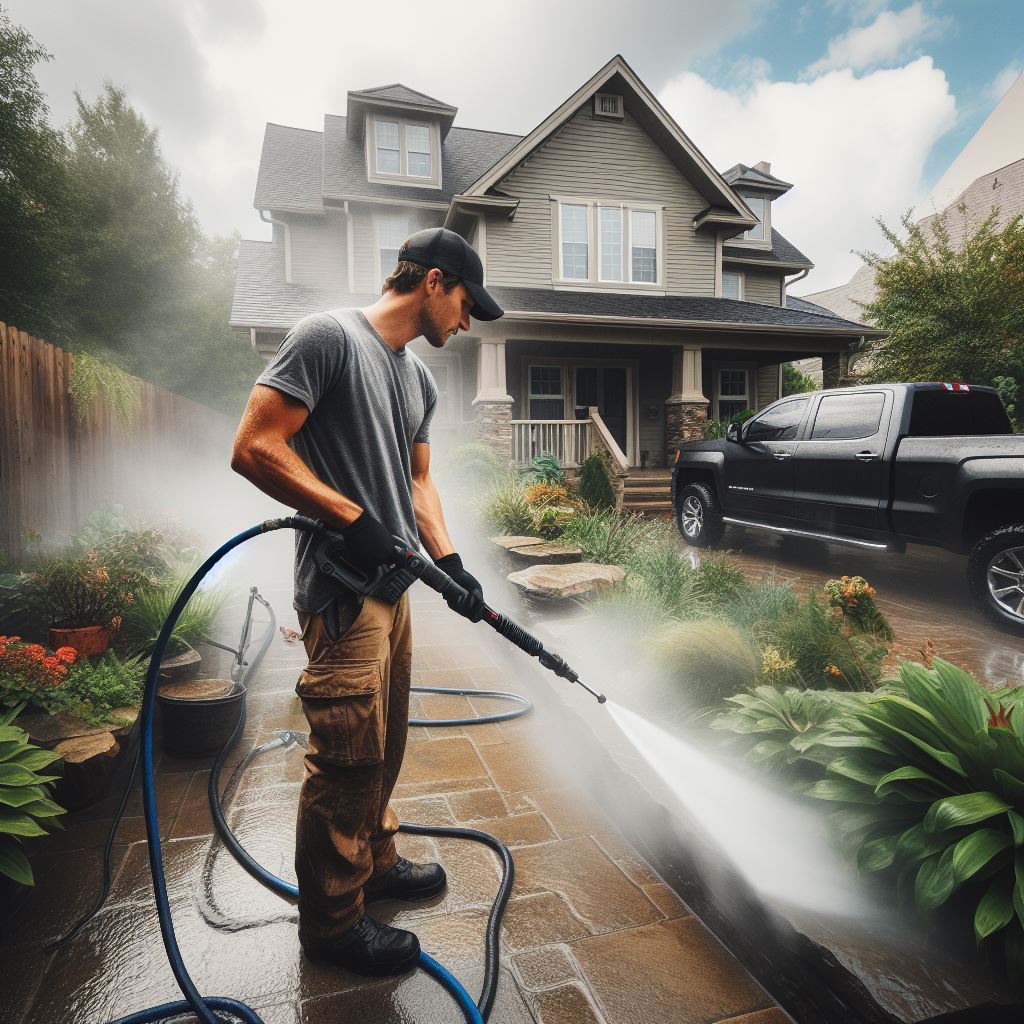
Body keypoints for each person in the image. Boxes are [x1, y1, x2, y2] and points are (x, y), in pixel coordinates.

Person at [230, 227, 503, 976]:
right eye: (469, 304)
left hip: (396, 588)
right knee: (345, 757)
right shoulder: (327, 338)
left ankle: (374, 861)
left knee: (383, 743)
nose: (469, 322)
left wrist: (449, 560)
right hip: (342, 591)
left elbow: (417, 483)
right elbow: (255, 446)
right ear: (436, 282)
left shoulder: (418, 379)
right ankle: (333, 925)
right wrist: (350, 519)